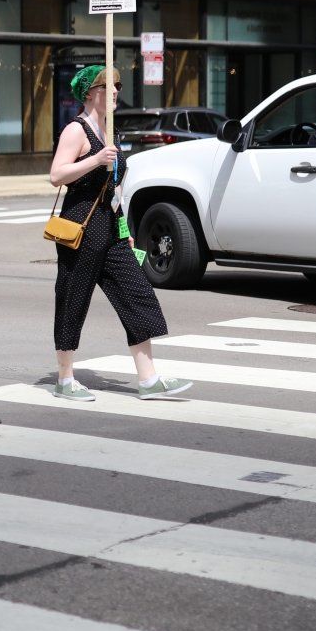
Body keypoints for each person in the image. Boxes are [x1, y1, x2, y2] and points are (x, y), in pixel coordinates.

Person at [47, 65, 193, 401]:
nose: (115, 92)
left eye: (117, 86)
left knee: (137, 293)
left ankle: (148, 378)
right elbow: (57, 175)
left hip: (110, 228)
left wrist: (125, 228)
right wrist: (95, 160)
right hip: (81, 225)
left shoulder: (108, 132)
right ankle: (65, 378)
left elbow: (114, 190)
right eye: (107, 87)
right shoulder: (77, 130)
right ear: (89, 93)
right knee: (73, 299)